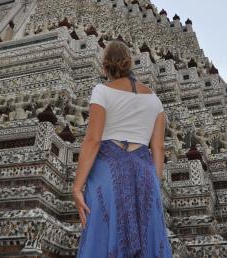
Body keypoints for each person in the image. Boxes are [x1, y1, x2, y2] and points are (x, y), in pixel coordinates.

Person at [73, 39, 173, 257]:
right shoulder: (155, 100)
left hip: (108, 172)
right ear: (129, 63)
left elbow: (93, 140)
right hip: (144, 173)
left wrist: (77, 187)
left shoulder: (102, 91)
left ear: (105, 66)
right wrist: (154, 186)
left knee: (103, 235)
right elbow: (157, 147)